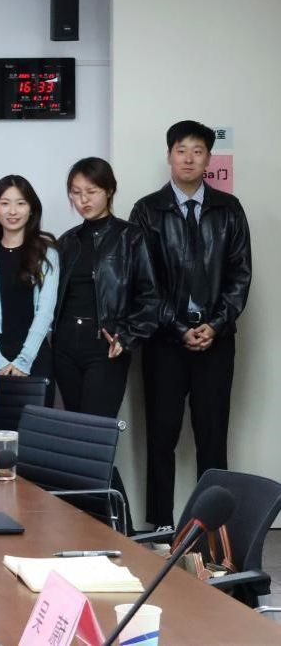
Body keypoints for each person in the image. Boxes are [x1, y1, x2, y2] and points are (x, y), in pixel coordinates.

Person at [130, 120, 252, 530]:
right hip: (165, 343)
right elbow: (144, 281)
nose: (188, 158)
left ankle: (212, 533)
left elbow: (240, 276)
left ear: (208, 159)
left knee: (213, 438)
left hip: (217, 341)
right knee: (160, 436)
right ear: (169, 156)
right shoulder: (147, 210)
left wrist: (215, 324)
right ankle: (161, 528)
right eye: (181, 150)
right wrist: (179, 326)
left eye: (197, 151)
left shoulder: (229, 209)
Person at [53, 158, 159, 417]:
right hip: (65, 345)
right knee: (73, 425)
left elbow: (150, 297)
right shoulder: (67, 241)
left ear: (109, 190)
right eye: (76, 193)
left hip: (106, 345)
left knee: (96, 427)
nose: (83, 200)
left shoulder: (131, 237)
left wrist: (127, 336)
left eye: (91, 191)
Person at [0, 175, 59, 386]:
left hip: (36, 356)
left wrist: (24, 361)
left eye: (21, 203)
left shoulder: (47, 254)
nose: (12, 211)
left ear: (31, 209)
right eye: (5, 203)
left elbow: (45, 312)